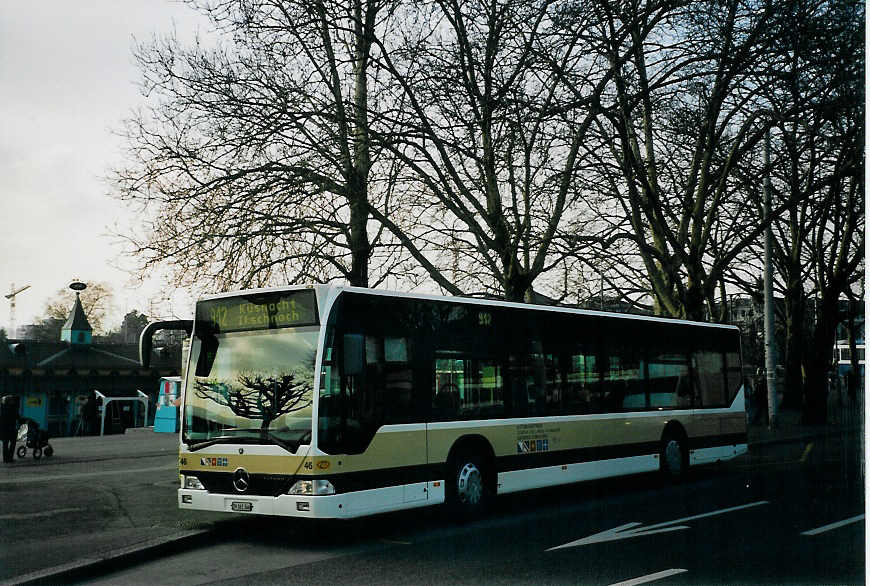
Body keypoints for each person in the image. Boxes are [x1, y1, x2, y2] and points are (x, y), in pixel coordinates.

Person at [1, 395, 21, 463]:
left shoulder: (2, 408)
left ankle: (5, 459)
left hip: (4, 429)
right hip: (11, 428)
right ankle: (10, 458)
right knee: (13, 443)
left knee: (5, 443)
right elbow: (17, 417)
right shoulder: (13, 408)